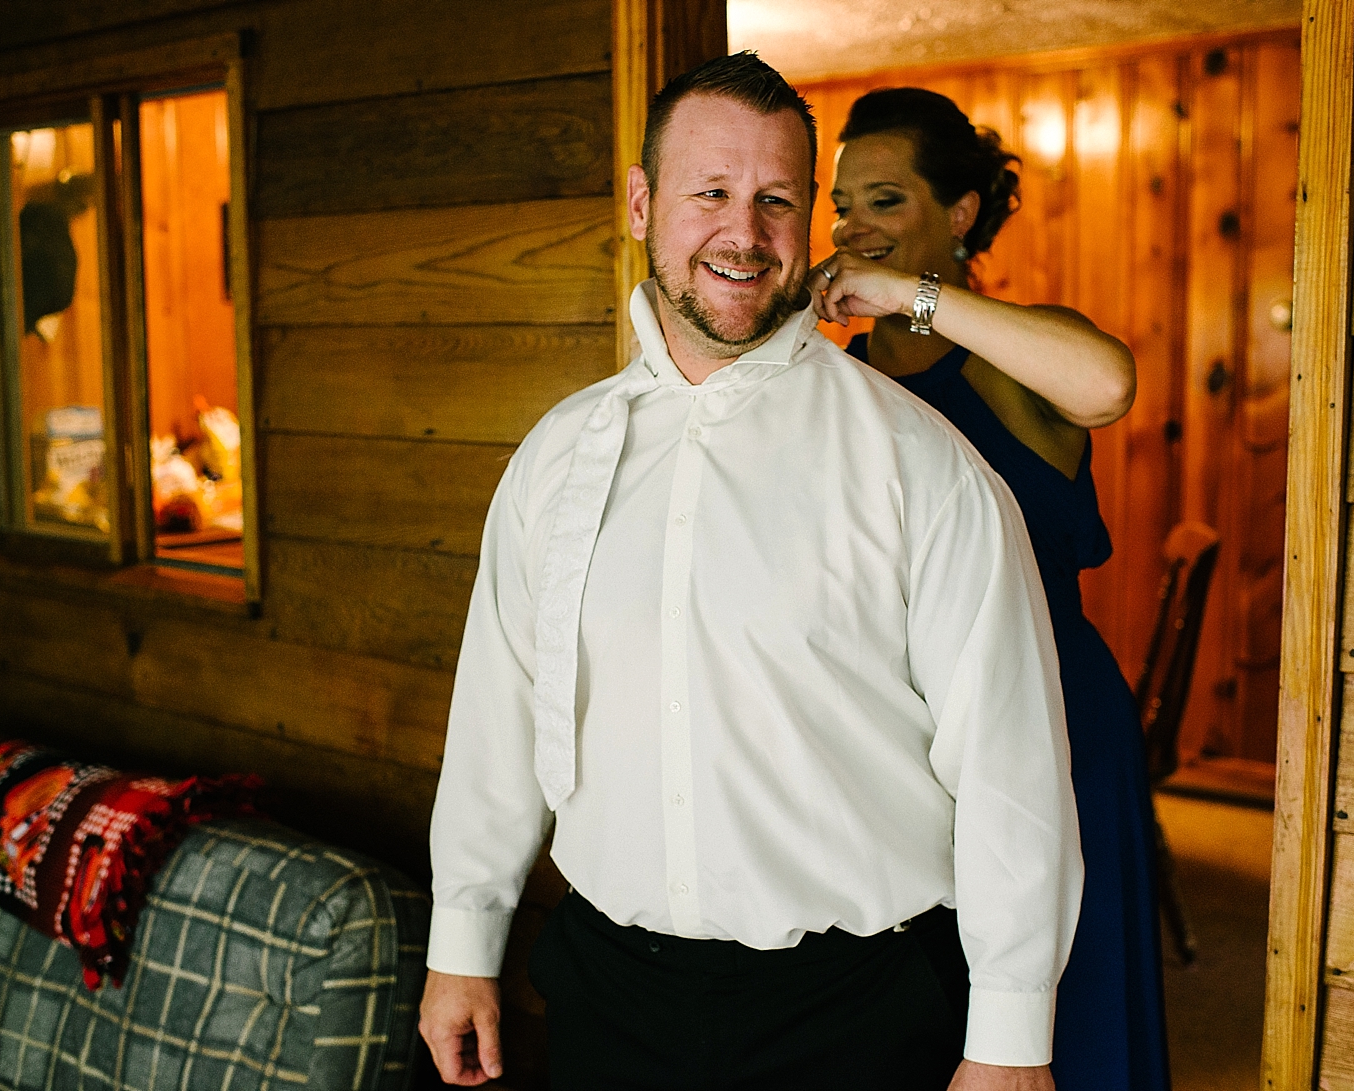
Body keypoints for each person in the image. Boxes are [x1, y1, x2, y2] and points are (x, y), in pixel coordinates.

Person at [420, 53, 1082, 1091]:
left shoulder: (921, 465)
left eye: (774, 198)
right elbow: (497, 706)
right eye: (709, 192)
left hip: (853, 1014)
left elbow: (1009, 764)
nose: (743, 231)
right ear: (643, 203)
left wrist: (1008, 1036)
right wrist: (461, 939)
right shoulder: (555, 453)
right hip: (606, 994)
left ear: (806, 217)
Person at [811, 86, 1169, 1091]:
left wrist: (902, 297)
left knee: (1067, 1005)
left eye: (883, 199)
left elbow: (1105, 384)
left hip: (1054, 720)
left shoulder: (1009, 357)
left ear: (958, 213)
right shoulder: (831, 377)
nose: (851, 225)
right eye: (841, 204)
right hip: (901, 737)